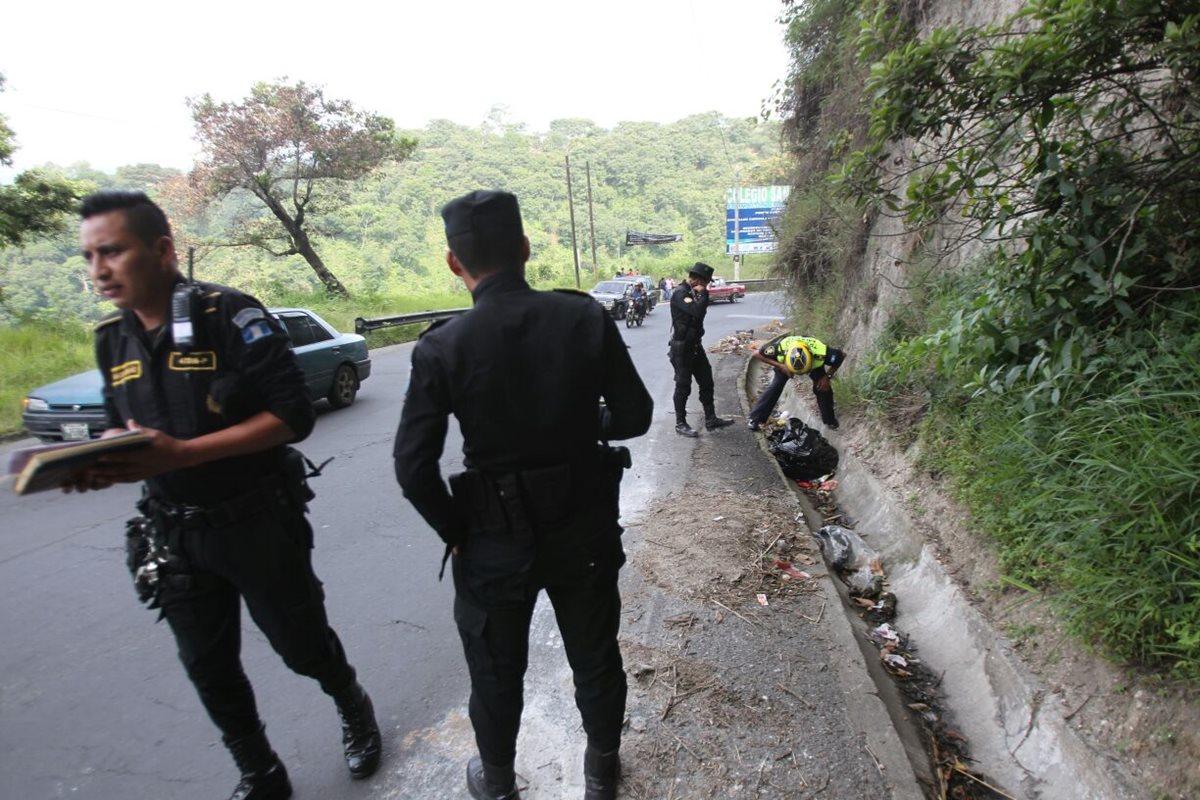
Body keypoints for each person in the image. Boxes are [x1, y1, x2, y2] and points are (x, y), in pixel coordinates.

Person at [69, 190, 381, 800]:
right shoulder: (113, 340)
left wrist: (184, 454)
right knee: (207, 666)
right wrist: (100, 458)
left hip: (256, 521)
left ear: (161, 250)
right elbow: (120, 426)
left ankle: (352, 703)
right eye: (89, 256)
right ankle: (260, 771)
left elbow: (293, 415)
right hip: (174, 533)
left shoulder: (228, 314)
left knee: (301, 646)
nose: (98, 270)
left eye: (112, 251)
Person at [393, 190, 652, 800]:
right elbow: (636, 414)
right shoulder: (583, 317)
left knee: (495, 669)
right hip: (582, 523)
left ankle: (500, 784)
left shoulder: (441, 346)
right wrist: (579, 424)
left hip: (492, 537)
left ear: (454, 263)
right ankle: (601, 771)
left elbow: (412, 467)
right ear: (526, 249)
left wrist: (458, 532)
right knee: (594, 654)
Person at [667, 261, 736, 437]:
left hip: (696, 346)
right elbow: (697, 312)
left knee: (706, 381)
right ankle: (680, 423)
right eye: (705, 282)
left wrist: (702, 294)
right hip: (682, 348)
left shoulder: (693, 293)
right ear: (697, 280)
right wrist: (704, 294)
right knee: (683, 386)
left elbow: (699, 315)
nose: (707, 286)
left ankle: (711, 418)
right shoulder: (681, 293)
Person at [748, 332, 846, 431]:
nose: (800, 374)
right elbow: (757, 354)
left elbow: (842, 355)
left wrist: (827, 376)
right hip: (785, 366)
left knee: (823, 388)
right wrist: (781, 366)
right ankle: (755, 419)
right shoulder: (779, 349)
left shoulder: (821, 352)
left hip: (814, 365)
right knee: (776, 386)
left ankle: (830, 420)